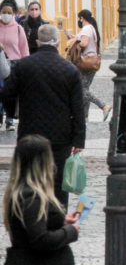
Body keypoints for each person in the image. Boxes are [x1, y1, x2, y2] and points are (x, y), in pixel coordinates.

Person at [1, 25, 84, 208]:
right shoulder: (70, 70)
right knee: (58, 184)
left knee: (30, 180)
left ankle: (32, 215)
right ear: (58, 42)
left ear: (38, 42)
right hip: (60, 136)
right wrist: (79, 139)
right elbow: (78, 108)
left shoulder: (24, 66)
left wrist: (13, 113)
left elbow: (6, 93)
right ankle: (57, 217)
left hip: (30, 133)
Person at [1, 135, 80, 265]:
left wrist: (61, 222)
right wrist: (70, 231)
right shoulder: (31, 197)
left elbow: (34, 227)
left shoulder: (23, 192)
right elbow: (40, 239)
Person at [72, 10, 111, 121]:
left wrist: (74, 40)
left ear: (82, 18)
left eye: (79, 18)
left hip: (86, 62)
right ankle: (85, 117)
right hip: (91, 61)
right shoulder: (92, 28)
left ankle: (104, 106)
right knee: (85, 89)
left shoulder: (86, 28)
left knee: (81, 90)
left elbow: (84, 43)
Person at [0, 0, 28, 131]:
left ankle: (10, 121)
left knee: (11, 93)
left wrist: (26, 66)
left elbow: (24, 49)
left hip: (14, 63)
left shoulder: (18, 29)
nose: (6, 15)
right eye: (3, 12)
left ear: (13, 14)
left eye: (9, 13)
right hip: (0, 63)